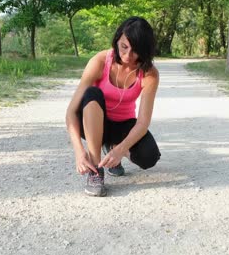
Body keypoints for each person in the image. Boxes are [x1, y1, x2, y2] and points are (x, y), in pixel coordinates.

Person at [65, 16, 161, 197]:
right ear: (117, 40)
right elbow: (71, 112)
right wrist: (79, 151)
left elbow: (142, 122)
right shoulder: (100, 61)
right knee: (92, 94)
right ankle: (96, 171)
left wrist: (121, 149)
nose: (127, 55)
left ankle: (112, 148)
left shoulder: (150, 74)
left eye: (135, 51)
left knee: (149, 157)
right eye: (124, 46)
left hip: (123, 124)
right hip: (93, 122)